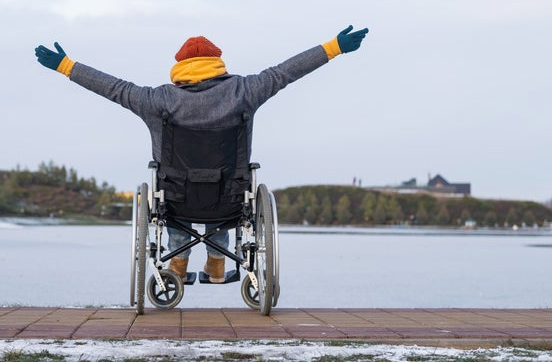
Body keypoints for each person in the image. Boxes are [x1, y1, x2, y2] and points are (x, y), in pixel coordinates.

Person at [35, 25, 369, 282]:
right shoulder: (244, 91)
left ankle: (177, 264)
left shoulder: (157, 100)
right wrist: (333, 47)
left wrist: (66, 65)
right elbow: (285, 72)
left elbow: (113, 88)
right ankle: (217, 263)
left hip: (176, 198)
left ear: (180, 67)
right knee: (223, 193)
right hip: (229, 197)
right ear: (217, 63)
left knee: (174, 196)